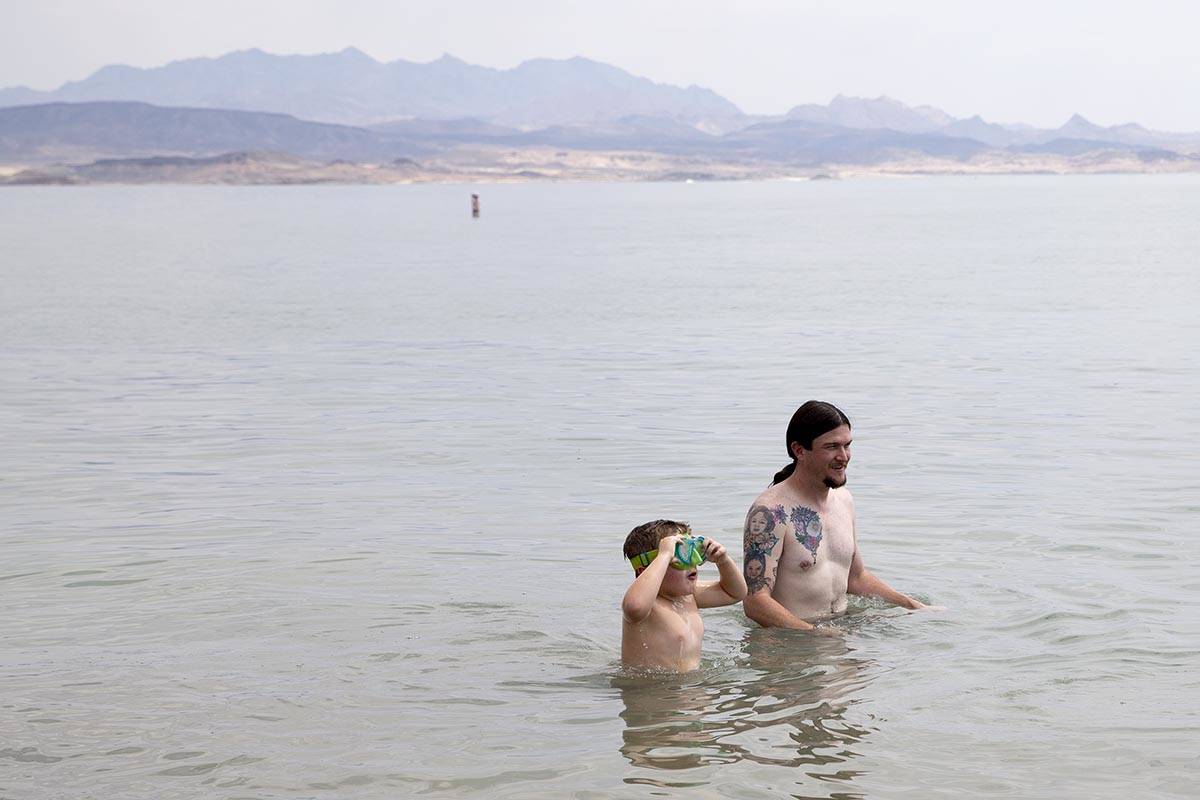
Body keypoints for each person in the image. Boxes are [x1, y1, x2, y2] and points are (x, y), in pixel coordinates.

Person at [742, 401, 931, 630]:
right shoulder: (771, 513)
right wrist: (814, 635)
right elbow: (756, 602)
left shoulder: (844, 500)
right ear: (799, 450)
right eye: (831, 447)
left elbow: (856, 578)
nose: (843, 457)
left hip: (838, 631)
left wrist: (913, 606)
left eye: (847, 445)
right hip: (792, 644)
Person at [621, 520, 747, 671]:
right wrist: (664, 555)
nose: (692, 562)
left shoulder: (688, 596)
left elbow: (734, 593)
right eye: (679, 555)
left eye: (692, 551)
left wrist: (723, 560)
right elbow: (634, 606)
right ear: (644, 571)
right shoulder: (648, 606)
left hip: (690, 688)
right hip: (651, 692)